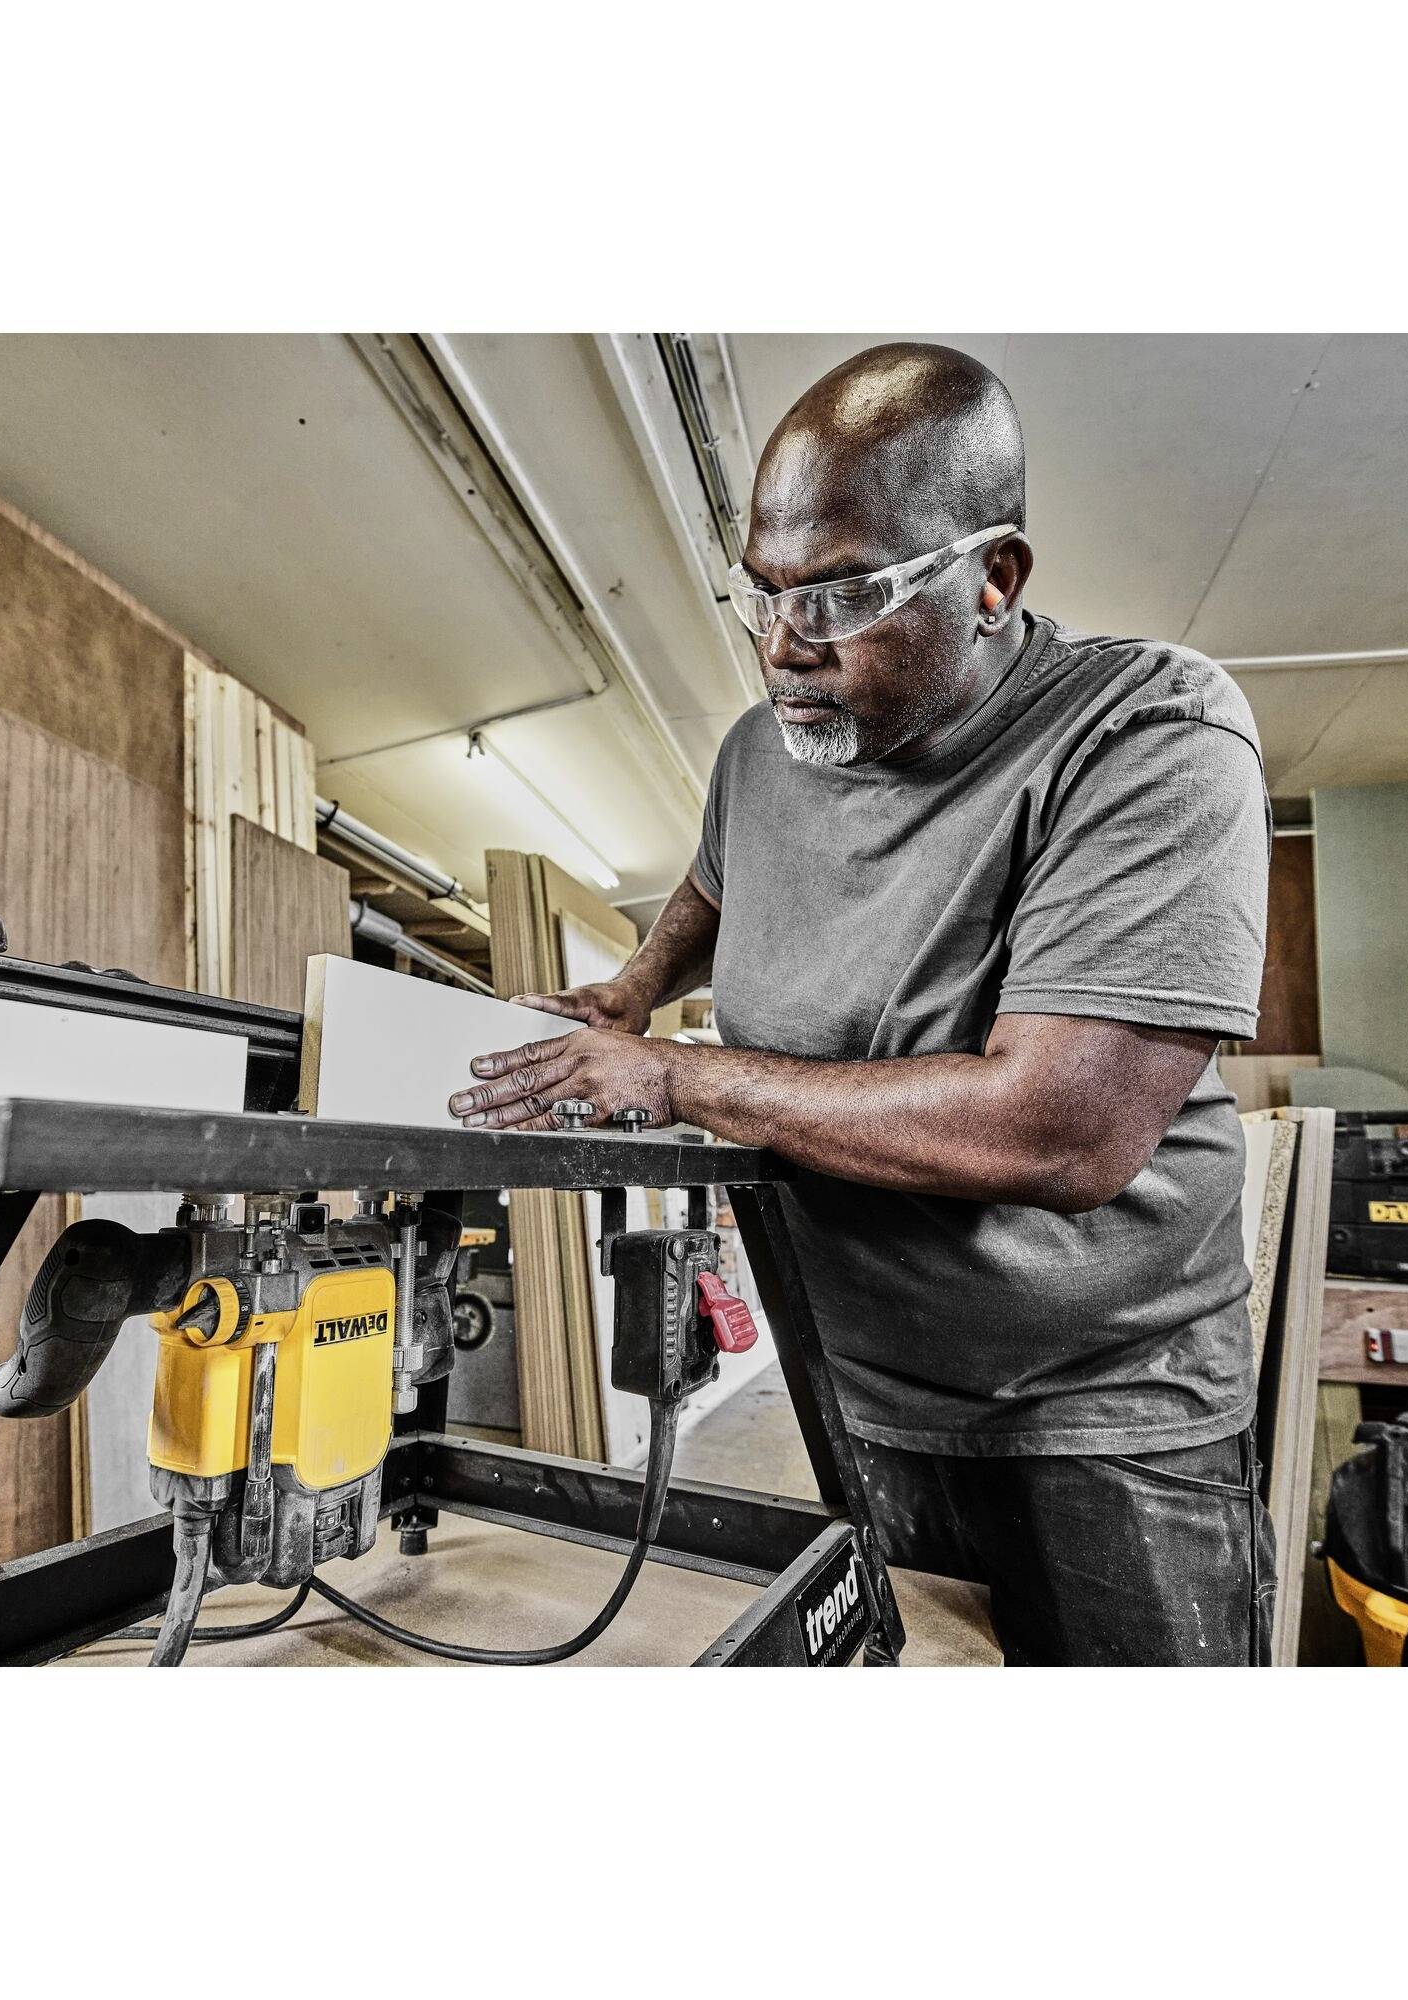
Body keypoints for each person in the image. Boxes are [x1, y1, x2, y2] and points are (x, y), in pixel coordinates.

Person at [452, 343, 1274, 1665]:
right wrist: (638, 984)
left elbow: (1062, 1131)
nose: (787, 647)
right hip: (856, 1394)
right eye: (765, 596)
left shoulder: (1149, 733)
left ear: (994, 578)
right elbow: (717, 879)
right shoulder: (764, 744)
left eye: (839, 595)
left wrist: (679, 1073)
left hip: (1103, 1421)